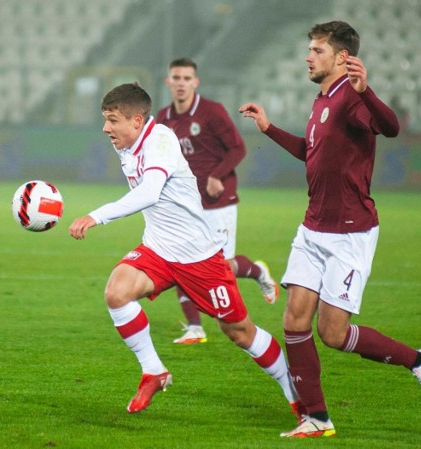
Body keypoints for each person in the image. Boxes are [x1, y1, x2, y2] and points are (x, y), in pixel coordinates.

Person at [239, 21, 421, 438]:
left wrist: (366, 89)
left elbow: (391, 129)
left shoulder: (352, 98)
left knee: (332, 333)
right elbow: (309, 152)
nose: (308, 56)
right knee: (295, 323)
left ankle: (420, 362)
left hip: (349, 233)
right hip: (312, 227)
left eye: (317, 50)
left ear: (341, 57)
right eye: (310, 49)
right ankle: (315, 417)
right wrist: (269, 129)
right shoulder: (321, 100)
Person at [69, 82, 303, 421]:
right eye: (105, 119)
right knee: (116, 292)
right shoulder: (127, 142)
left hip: (199, 257)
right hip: (158, 250)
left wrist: (96, 216)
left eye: (112, 120)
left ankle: (297, 396)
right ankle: (154, 371)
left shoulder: (160, 140)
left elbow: (150, 193)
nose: (106, 128)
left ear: (136, 120)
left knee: (240, 333)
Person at [156, 57, 279, 345]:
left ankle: (258, 271)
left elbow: (238, 147)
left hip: (218, 199)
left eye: (187, 78)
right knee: (179, 260)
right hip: (185, 204)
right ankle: (195, 328)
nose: (181, 83)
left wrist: (217, 175)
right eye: (176, 78)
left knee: (221, 266)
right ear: (168, 82)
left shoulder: (212, 112)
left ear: (195, 82)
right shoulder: (163, 119)